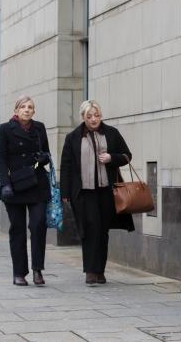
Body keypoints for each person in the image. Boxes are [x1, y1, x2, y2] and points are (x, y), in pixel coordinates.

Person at [60, 100, 135, 285]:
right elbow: (66, 166)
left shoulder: (111, 133)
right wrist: (65, 193)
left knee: (102, 230)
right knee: (90, 228)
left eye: (97, 115)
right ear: (83, 117)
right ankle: (90, 271)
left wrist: (111, 158)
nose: (94, 119)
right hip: (84, 192)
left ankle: (100, 270)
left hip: (106, 191)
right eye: (89, 116)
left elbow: (127, 155)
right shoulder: (73, 137)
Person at [0, 95, 52, 286]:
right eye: (23, 107)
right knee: (17, 229)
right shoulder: (5, 129)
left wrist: (44, 158)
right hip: (15, 185)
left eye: (30, 107)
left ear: (34, 111)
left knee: (38, 225)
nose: (27, 110)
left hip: (37, 183)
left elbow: (46, 152)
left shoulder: (39, 128)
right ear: (16, 110)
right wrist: (5, 184)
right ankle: (19, 273)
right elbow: (0, 159)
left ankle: (37, 270)